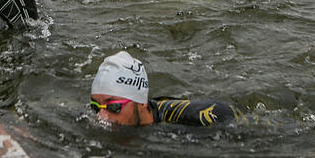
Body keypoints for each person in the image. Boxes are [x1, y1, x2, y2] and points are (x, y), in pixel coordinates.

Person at [90, 51, 240, 127]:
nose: (101, 117)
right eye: (95, 107)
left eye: (113, 107)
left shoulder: (204, 118)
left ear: (142, 102)